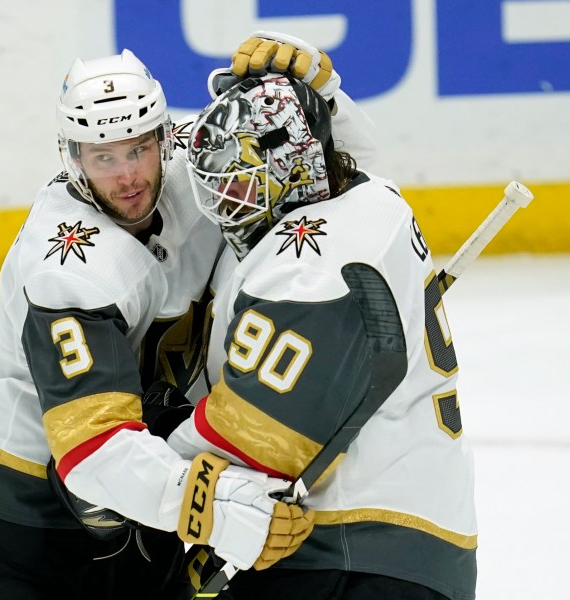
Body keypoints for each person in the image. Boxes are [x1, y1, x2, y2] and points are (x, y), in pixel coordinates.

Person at [0, 36, 379, 599]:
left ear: (167, 138)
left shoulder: (207, 156)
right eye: (103, 158)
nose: (128, 177)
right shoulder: (68, 264)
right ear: (72, 158)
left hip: (136, 495)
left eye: (138, 149)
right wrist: (212, 508)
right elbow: (92, 446)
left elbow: (339, 174)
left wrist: (322, 96)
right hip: (16, 522)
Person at [168, 61, 478, 598]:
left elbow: (255, 434)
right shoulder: (372, 197)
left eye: (242, 182)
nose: (227, 204)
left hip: (360, 548)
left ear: (294, 167)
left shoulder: (310, 267)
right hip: (403, 542)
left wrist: (139, 466)